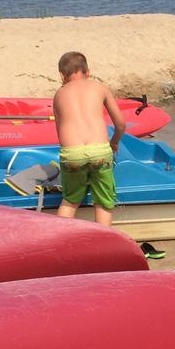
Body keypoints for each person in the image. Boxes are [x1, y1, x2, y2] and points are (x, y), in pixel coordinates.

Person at [52, 51, 125, 227]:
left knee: (69, 200)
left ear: (62, 75)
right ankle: (102, 244)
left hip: (73, 153)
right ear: (88, 72)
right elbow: (121, 124)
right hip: (100, 151)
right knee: (103, 203)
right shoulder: (99, 88)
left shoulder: (59, 94)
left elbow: (60, 132)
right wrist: (114, 141)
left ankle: (61, 240)